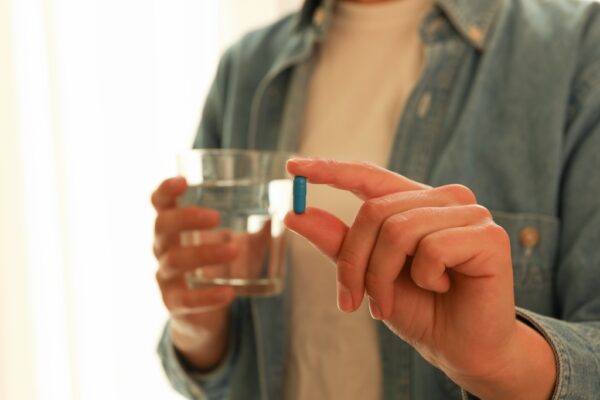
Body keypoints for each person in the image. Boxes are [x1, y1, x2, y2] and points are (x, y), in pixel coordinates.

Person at [152, 0, 600, 398]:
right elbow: (222, 376)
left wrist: (504, 361)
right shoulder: (245, 68)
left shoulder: (578, 47)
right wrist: (198, 330)